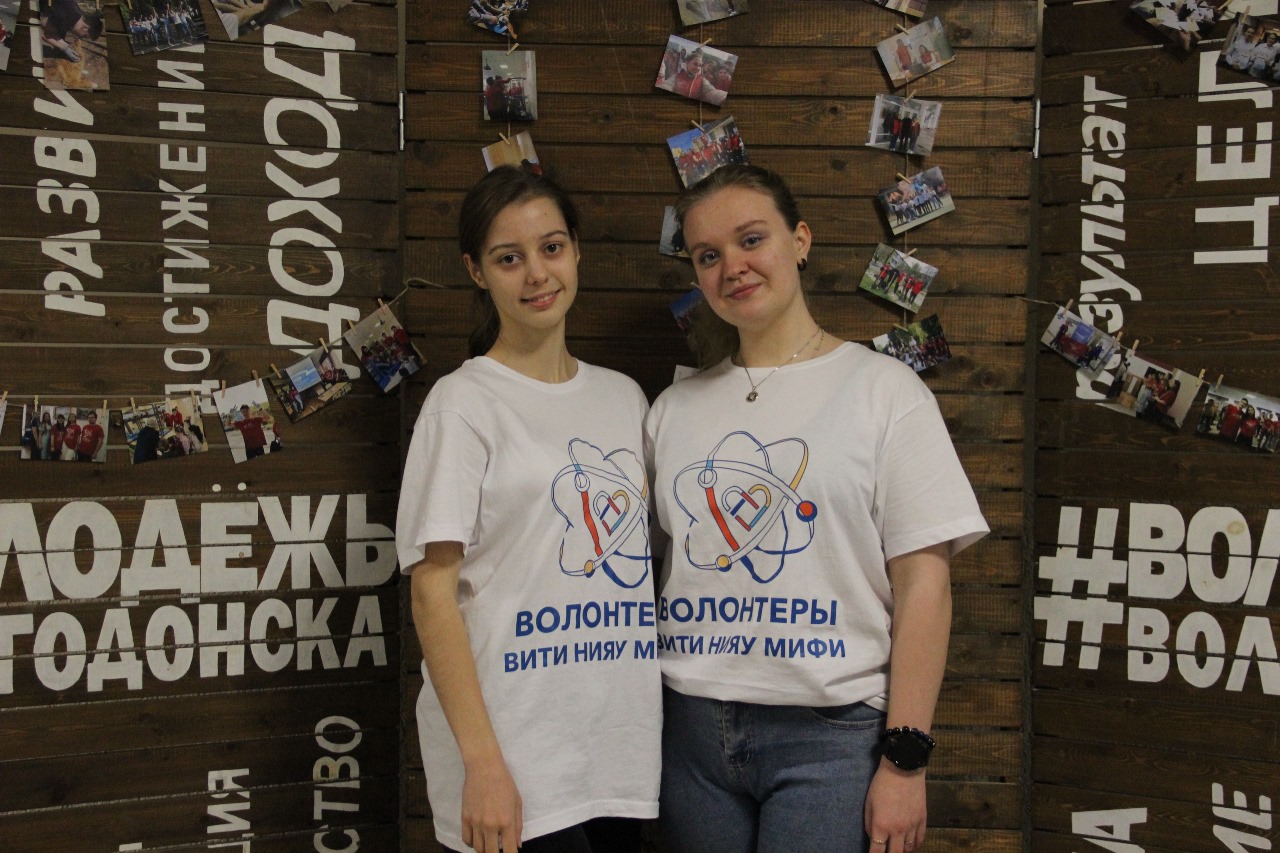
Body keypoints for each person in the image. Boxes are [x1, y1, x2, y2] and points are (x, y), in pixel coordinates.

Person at [645, 165, 988, 853]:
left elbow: (925, 585)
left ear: (799, 240)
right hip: (688, 732)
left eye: (751, 240)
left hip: (830, 737)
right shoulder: (671, 410)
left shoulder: (885, 392)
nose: (732, 267)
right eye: (708, 255)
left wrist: (906, 760)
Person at [395, 166, 660, 853]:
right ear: (476, 272)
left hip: (617, 754)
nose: (537, 274)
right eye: (508, 258)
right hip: (514, 760)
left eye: (551, 248)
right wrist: (483, 765)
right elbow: (431, 592)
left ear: (576, 250)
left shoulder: (624, 398)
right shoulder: (463, 404)